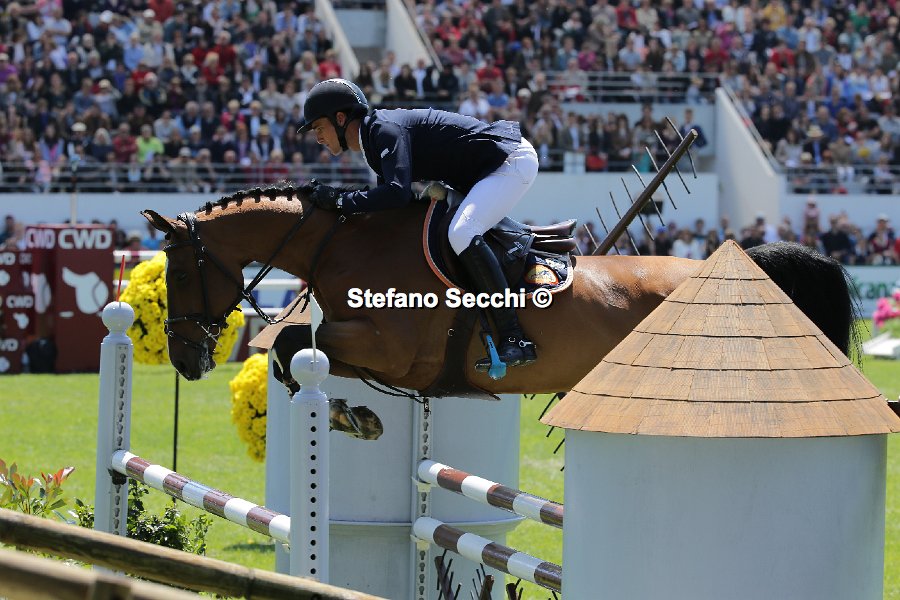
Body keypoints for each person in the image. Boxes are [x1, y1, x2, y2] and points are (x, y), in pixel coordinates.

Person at [297, 78, 539, 370]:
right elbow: (390, 207)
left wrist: (338, 200)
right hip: (481, 170)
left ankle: (515, 337)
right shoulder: (373, 140)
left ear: (340, 118)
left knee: (462, 232)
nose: (318, 138)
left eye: (318, 128)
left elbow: (396, 194)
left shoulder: (383, 131)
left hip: (509, 161)